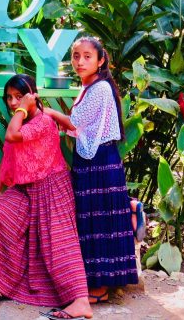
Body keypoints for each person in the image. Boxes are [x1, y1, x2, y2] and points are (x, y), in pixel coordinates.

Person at [44, 36, 139, 305]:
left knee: (101, 221)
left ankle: (101, 287)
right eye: (76, 56)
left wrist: (48, 111)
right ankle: (95, 282)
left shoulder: (99, 89)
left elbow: (75, 123)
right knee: (91, 220)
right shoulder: (88, 87)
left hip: (101, 161)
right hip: (92, 160)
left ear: (100, 60)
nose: (80, 61)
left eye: (87, 56)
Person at [0, 74, 92, 320]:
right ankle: (1, 284)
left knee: (58, 243)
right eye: (9, 98)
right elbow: (8, 160)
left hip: (52, 188)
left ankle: (81, 301)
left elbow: (11, 136)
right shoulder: (25, 120)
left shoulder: (42, 121)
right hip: (27, 190)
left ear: (32, 95)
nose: (13, 103)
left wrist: (24, 109)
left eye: (18, 97)